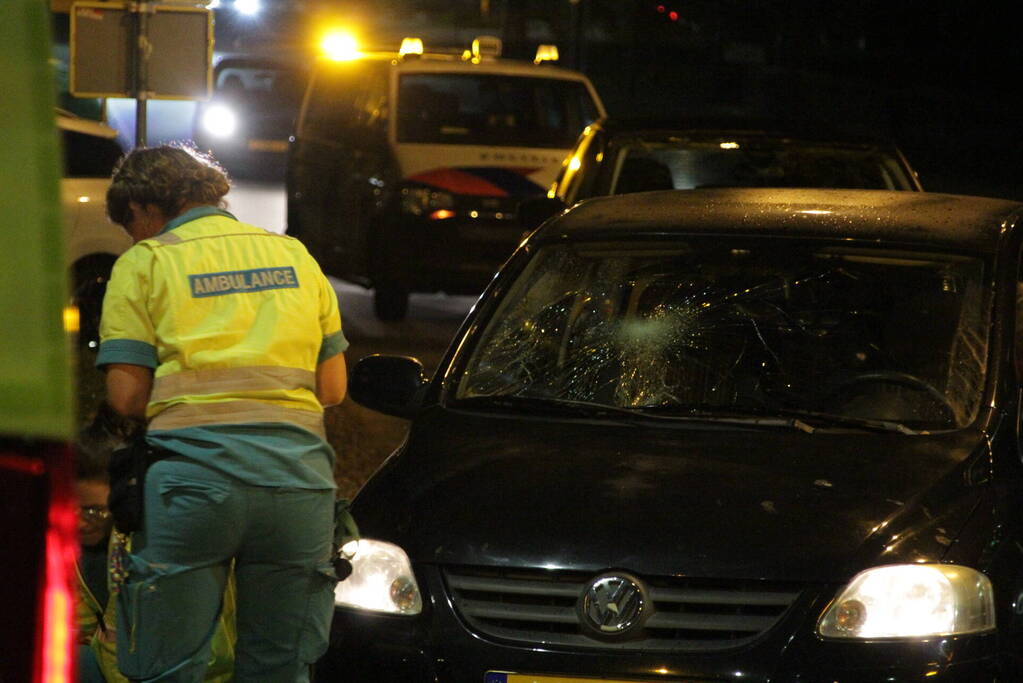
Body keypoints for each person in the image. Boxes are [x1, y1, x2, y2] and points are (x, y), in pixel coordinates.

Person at [97, 144, 348, 681]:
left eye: (130, 225)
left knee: (170, 665)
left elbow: (125, 398)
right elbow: (332, 387)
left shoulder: (146, 262)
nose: (135, 238)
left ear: (143, 208)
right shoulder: (294, 256)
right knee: (279, 665)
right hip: (298, 485)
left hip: (193, 488)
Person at [73, 406, 238, 683]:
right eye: (70, 509)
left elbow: (211, 653)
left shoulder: (156, 547)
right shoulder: (79, 550)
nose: (79, 523)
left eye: (93, 511)